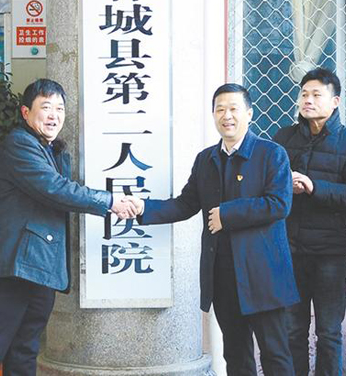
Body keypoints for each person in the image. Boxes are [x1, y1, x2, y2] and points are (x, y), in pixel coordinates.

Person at [0, 79, 136, 376]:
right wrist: (110, 201)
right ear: (26, 112)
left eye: (60, 108)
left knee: (24, 351)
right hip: (10, 269)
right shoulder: (19, 144)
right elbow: (55, 189)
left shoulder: (52, 151)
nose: (54, 115)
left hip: (37, 268)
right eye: (46, 107)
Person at [124, 83, 298, 375]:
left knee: (275, 354)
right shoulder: (206, 159)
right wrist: (144, 208)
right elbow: (185, 204)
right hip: (223, 274)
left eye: (233, 109)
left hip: (263, 274)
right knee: (236, 355)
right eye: (220, 109)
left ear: (249, 113)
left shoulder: (272, 154)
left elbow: (279, 204)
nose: (226, 116)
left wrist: (226, 214)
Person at [272, 67, 346, 376]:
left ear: (335, 101)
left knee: (328, 333)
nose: (308, 100)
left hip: (330, 254)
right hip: (289, 251)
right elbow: (266, 184)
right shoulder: (283, 138)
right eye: (304, 94)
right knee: (292, 330)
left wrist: (314, 187)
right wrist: (286, 185)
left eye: (317, 94)